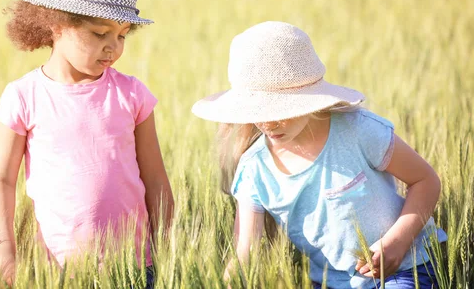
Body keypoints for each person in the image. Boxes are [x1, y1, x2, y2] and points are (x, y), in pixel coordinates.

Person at [191, 21, 446, 288]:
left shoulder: (359, 131)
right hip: (329, 282)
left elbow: (426, 180)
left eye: (278, 111)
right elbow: (245, 254)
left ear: (307, 99)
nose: (267, 124)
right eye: (257, 112)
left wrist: (398, 241)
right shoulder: (254, 170)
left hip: (406, 267)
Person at [0, 0, 174, 287]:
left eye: (121, 35)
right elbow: (1, 180)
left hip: (135, 267)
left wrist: (166, 248)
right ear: (55, 24)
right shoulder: (24, 97)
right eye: (100, 33)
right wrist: (3, 247)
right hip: (59, 271)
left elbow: (156, 179)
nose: (113, 47)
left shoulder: (131, 94)